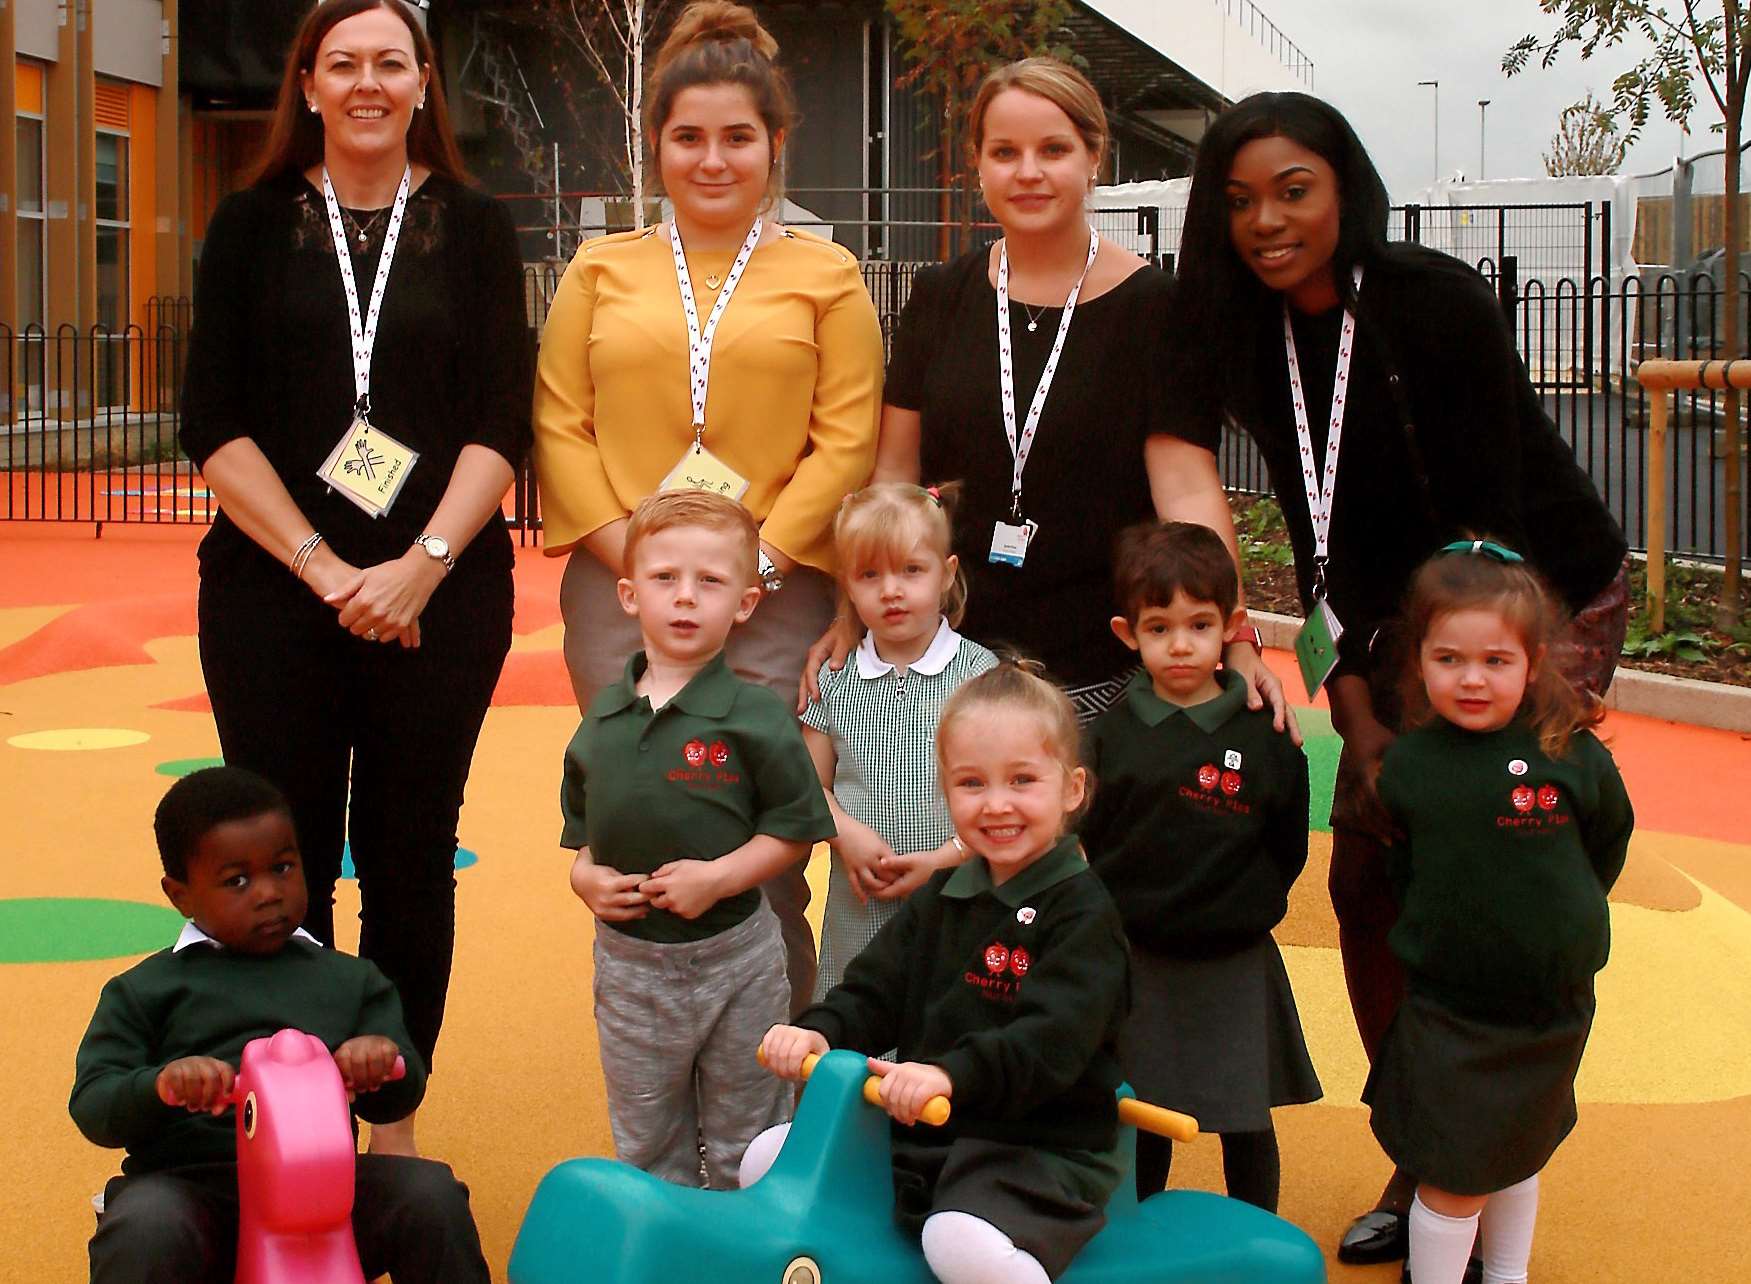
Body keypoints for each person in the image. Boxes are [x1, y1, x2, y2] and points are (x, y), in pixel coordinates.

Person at [1169, 90, 1630, 1263]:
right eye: (1237, 201)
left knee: (1482, 865)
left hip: (1524, 593)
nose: (1266, 221)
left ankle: (1488, 1156)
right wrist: (1358, 719)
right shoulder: (1243, 329)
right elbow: (1313, 534)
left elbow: (1486, 533)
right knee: (1368, 886)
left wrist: (1424, 708)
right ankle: (1430, 1150)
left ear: (1343, 188)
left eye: (1293, 190)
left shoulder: (1428, 300)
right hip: (1379, 622)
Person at [178, 0, 531, 1156]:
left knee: (410, 857)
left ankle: (392, 1126)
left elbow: (498, 419)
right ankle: (291, 1118)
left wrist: (419, 566)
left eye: (391, 61)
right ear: (310, 85)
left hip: (439, 599)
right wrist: (327, 566)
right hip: (273, 593)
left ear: (424, 81)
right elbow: (211, 423)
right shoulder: (248, 222)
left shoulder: (475, 230)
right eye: (344, 64)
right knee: (280, 862)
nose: (368, 82)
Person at [534, 0, 884, 1014]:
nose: (712, 158)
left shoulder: (825, 274)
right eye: (688, 136)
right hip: (618, 595)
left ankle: (772, 1075)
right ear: (656, 146)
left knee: (758, 834)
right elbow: (560, 425)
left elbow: (845, 436)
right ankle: (655, 1061)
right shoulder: (600, 270)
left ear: (775, 145)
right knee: (644, 820)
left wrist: (755, 568)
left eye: (738, 136)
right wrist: (634, 567)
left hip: (773, 599)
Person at [807, 56, 1283, 726]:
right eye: (1005, 152)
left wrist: (1233, 635)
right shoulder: (941, 296)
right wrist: (847, 613)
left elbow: (1186, 489)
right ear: (977, 164)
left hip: (1101, 674)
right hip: (943, 664)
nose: (1027, 172)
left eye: (1053, 150)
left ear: (1094, 156)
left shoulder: (1155, 309)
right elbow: (894, 478)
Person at [754, 662, 1131, 1284]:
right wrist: (821, 1031)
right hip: (935, 1134)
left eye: (1023, 780)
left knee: (956, 1238)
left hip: (1037, 1150)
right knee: (773, 1154)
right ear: (946, 791)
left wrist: (948, 1076)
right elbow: (877, 988)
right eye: (972, 783)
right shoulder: (947, 894)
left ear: (1072, 789)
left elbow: (1049, 1042)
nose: (997, 804)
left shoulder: (1083, 914)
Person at [70, 767, 492, 1284]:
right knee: (143, 1226)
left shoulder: (351, 980)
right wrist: (161, 1086)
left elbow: (401, 1093)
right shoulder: (143, 990)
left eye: (283, 867)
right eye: (237, 881)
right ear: (180, 894)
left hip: (323, 1190)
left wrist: (379, 1062)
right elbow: (94, 1104)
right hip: (191, 1188)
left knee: (429, 1194)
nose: (269, 892)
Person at [1365, 544, 1633, 1284]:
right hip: (1452, 1012)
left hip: (1549, 1007)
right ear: (1417, 660)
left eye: (1494, 660)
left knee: (1520, 1148)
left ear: (1533, 660)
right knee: (1452, 1173)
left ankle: (1506, 1276)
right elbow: (1406, 870)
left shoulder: (1571, 754)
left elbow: (1607, 840)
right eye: (1448, 658)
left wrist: (1562, 918)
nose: (1471, 678)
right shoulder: (1411, 767)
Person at [562, 491, 836, 1187]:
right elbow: (585, 838)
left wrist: (718, 879)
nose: (685, 599)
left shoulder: (754, 718)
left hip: (736, 962)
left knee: (748, 1136)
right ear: (628, 595)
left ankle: (737, 1249)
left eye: (709, 582)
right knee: (647, 1139)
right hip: (629, 971)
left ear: (744, 603)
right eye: (664, 580)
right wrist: (585, 879)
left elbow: (795, 831)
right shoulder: (602, 719)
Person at [1080, 521, 1320, 1213]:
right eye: (1159, 627)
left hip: (1234, 957)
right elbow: (1097, 833)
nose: (1179, 644)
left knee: (1245, 1116)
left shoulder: (1263, 734)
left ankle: (1256, 1240)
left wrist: (1245, 905)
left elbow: (1286, 841)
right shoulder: (1110, 736)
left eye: (1198, 624)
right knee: (1144, 1114)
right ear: (1128, 634)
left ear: (1231, 627)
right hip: (1139, 957)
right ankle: (1137, 1242)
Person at [801, 483, 999, 997]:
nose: (891, 590)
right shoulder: (834, 679)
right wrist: (843, 832)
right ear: (847, 585)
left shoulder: (979, 676)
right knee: (858, 1024)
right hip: (860, 909)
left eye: (911, 570)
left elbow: (1004, 792)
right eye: (870, 574)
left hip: (959, 897)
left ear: (947, 573)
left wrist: (942, 859)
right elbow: (806, 781)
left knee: (945, 1029)